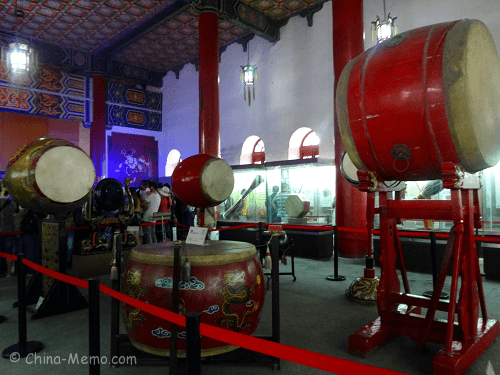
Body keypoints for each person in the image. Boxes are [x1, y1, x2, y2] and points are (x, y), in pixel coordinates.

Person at [0, 190, 19, 277]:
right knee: (9, 253)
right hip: (9, 231)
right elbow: (16, 218)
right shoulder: (13, 204)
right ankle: (8, 273)